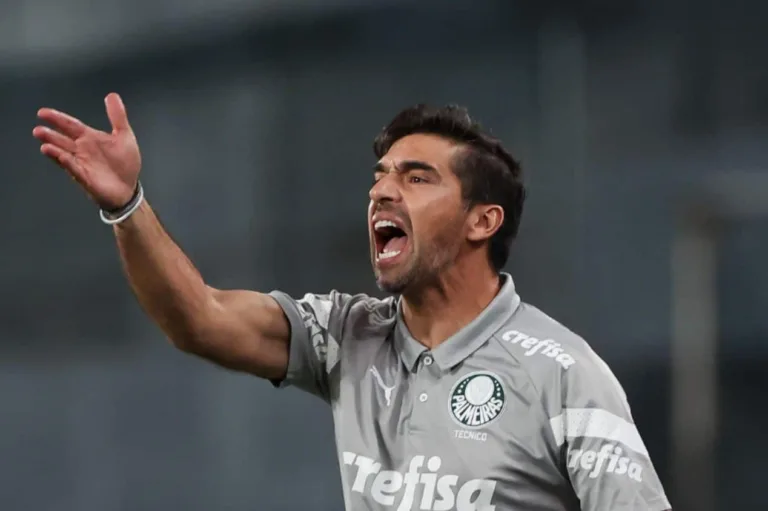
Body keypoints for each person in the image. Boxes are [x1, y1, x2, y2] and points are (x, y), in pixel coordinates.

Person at [33, 95, 672, 511]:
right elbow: (199, 319)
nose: (381, 192)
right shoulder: (346, 333)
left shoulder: (564, 373)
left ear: (482, 221)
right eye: (380, 177)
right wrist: (127, 206)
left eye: (416, 178)